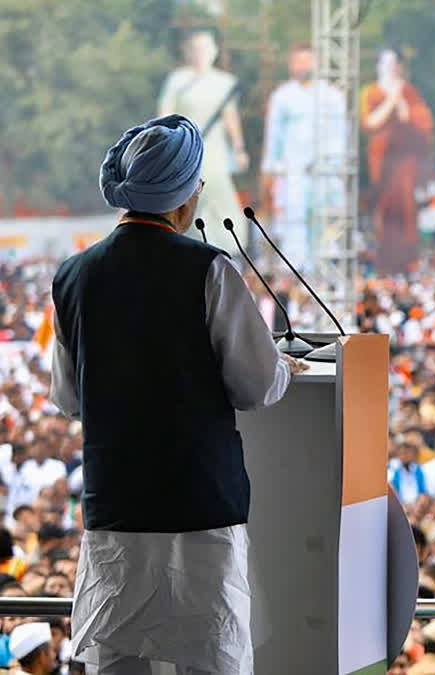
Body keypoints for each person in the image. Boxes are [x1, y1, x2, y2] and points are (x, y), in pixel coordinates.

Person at [51, 114, 307, 674]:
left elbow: (68, 398)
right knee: (210, 660)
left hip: (116, 511)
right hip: (199, 511)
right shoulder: (209, 269)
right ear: (185, 197)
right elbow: (257, 387)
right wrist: (285, 366)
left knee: (119, 662)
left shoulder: (72, 276)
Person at [158, 30, 249, 256]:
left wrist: (239, 148)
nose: (201, 54)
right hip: (185, 146)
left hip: (215, 150)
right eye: (196, 49)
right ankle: (185, 241)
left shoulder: (224, 82)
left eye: (206, 48)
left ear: (214, 52)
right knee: (187, 195)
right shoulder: (177, 80)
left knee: (218, 193)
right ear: (189, 53)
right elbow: (165, 115)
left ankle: (230, 245)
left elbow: (230, 117)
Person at [261, 43, 348, 270]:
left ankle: (325, 269)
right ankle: (296, 270)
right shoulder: (282, 96)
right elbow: (274, 136)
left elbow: (341, 134)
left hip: (326, 170)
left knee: (325, 223)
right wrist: (270, 169)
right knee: (294, 223)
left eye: (307, 61)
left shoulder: (332, 95)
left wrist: (336, 165)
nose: (303, 66)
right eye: (298, 62)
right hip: (293, 171)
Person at [360, 48, 435, 275]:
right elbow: (370, 123)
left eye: (395, 65)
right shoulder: (370, 92)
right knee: (382, 213)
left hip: (405, 165)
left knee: (406, 213)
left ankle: (405, 263)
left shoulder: (410, 93)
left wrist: (401, 100)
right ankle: (382, 262)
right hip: (380, 164)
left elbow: (420, 124)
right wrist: (391, 100)